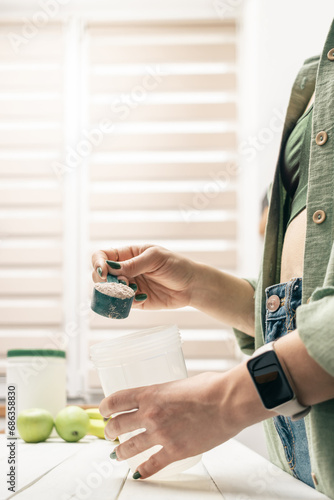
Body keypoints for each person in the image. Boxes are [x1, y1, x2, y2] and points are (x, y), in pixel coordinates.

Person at [92, 20, 334, 498]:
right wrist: (201, 287)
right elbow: (309, 309)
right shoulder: (318, 74)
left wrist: (224, 401)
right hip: (303, 455)